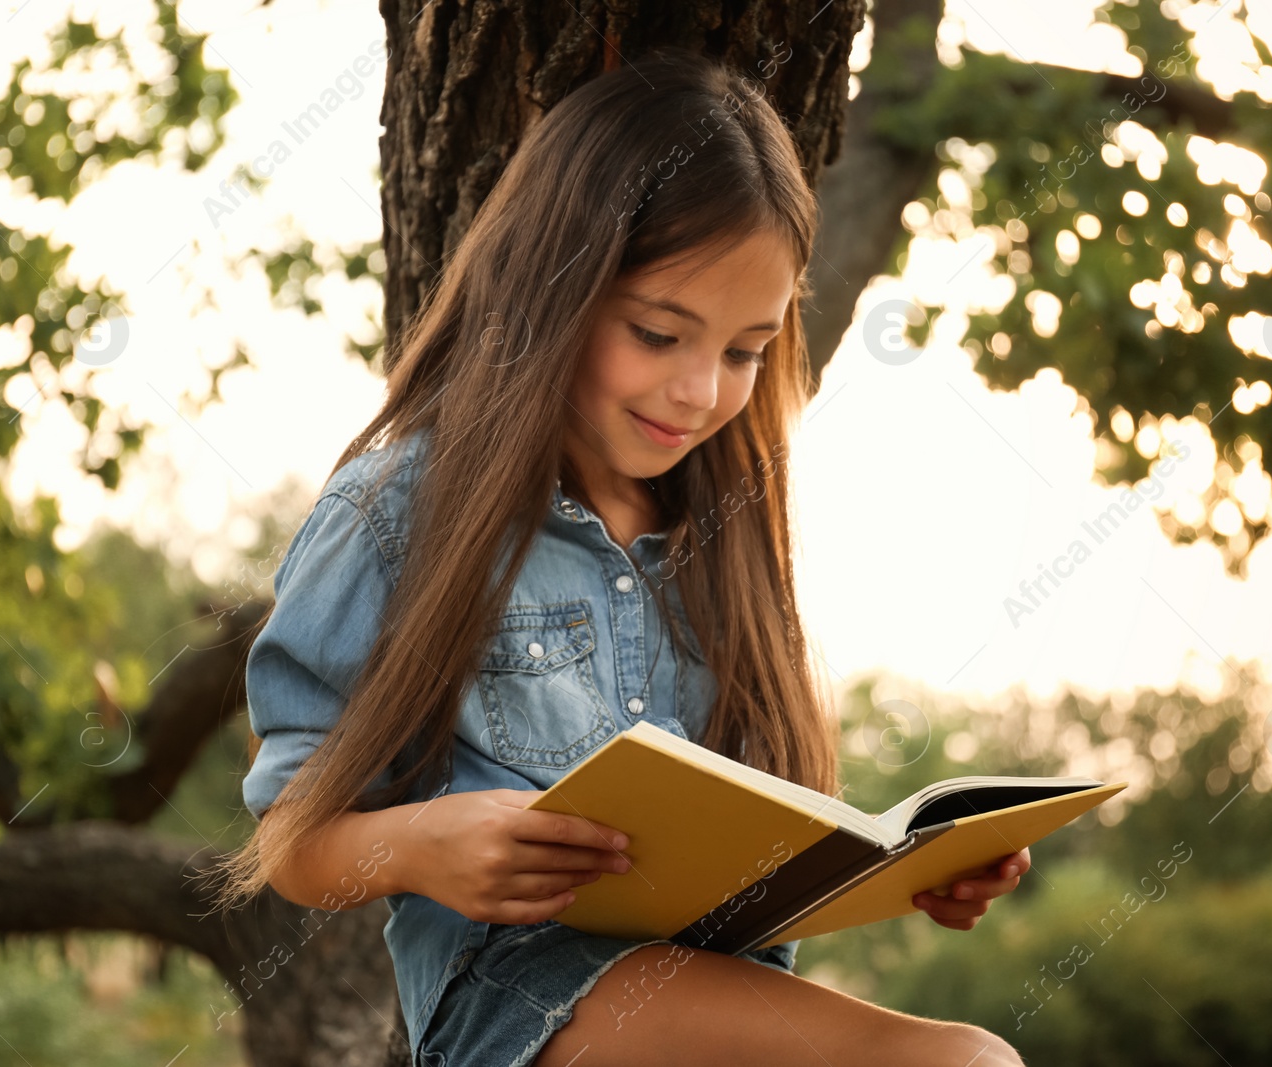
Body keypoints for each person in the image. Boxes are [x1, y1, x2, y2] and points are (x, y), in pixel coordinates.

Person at [211, 46, 1030, 1067]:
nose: (699, 391)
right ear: (555, 288)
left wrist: (904, 874)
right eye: (658, 333)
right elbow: (292, 837)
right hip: (520, 1009)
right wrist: (424, 845)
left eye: (742, 351)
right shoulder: (397, 510)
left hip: (719, 985)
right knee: (960, 1060)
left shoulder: (723, 530)